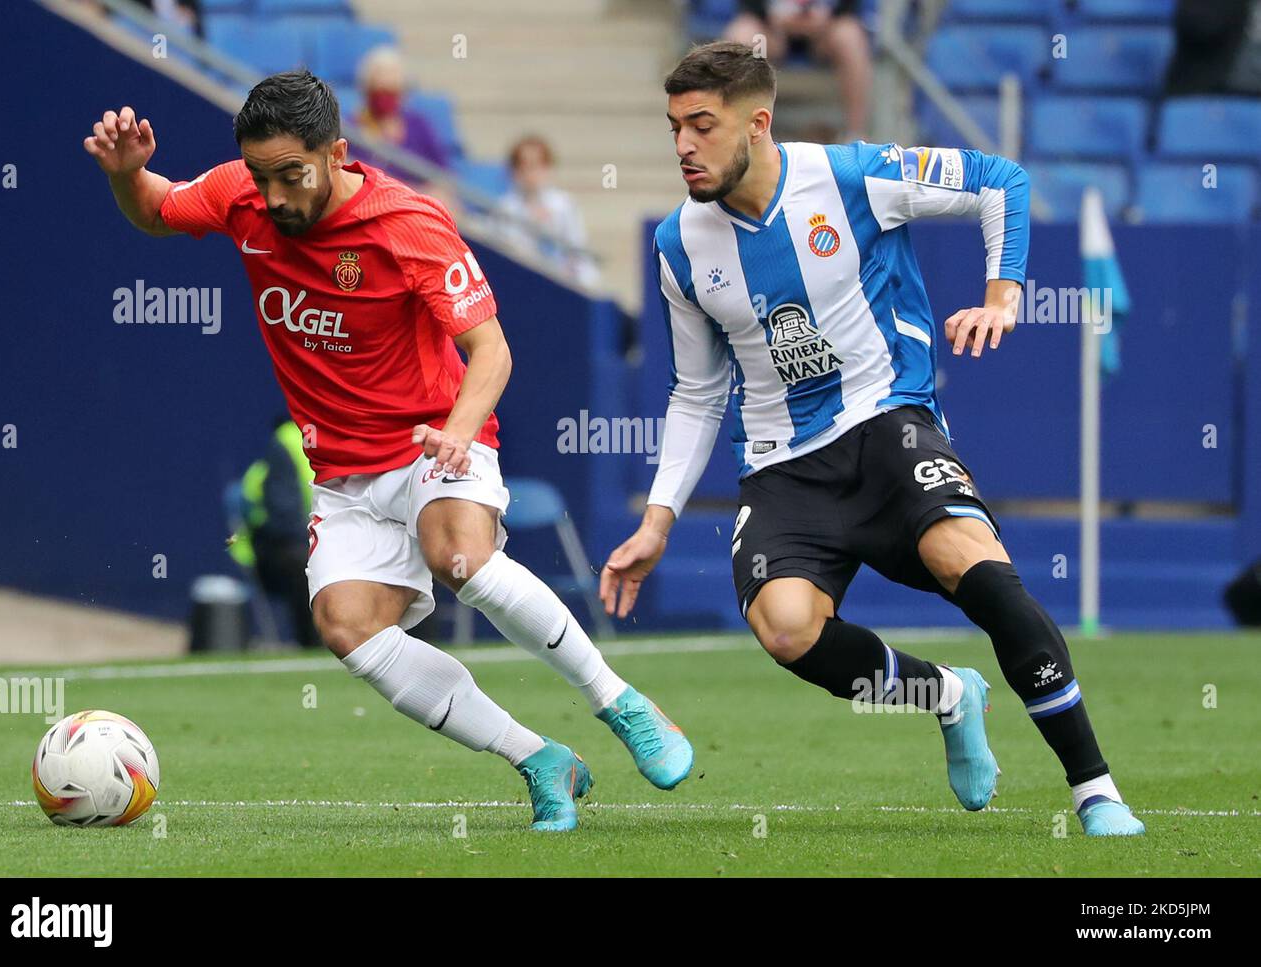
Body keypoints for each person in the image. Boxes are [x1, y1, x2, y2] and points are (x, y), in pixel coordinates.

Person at [82, 69, 692, 832]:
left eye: (291, 175)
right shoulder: (241, 191)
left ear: (337, 153)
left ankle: (622, 703)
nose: (272, 196)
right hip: (341, 474)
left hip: (435, 439)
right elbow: (156, 211)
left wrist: (461, 430)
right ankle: (540, 759)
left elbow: (491, 350)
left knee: (457, 555)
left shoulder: (409, 223)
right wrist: (128, 175)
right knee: (344, 625)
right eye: (262, 176)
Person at [600, 42, 1145, 837]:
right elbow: (696, 389)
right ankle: (949, 697)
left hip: (889, 423)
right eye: (675, 126)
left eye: (702, 125)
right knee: (786, 628)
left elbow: (1002, 182)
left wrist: (1003, 297)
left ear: (759, 122)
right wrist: (658, 518)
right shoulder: (680, 246)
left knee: (976, 568)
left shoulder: (854, 176)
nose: (684, 145)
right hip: (785, 466)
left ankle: (1095, 788)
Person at [227, 418, 322, 649]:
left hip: (328, 536)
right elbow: (282, 510)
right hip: (289, 545)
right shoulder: (287, 441)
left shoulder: (319, 432)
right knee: (301, 563)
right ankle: (313, 643)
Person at [724, 0, 873, 141]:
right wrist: (769, 16)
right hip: (770, 32)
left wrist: (828, 16)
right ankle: (742, 133)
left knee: (850, 36)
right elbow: (748, 6)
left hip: (824, 33)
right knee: (743, 36)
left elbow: (850, 6)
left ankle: (855, 134)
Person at [346, 45, 457, 206]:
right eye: (379, 90)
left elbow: (443, 177)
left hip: (414, 209)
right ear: (366, 90)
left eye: (392, 91)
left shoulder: (419, 126)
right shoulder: (351, 129)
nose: (385, 98)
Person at [496, 135, 599, 286]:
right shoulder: (505, 208)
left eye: (536, 165)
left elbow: (577, 248)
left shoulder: (564, 205)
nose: (530, 174)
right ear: (514, 171)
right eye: (523, 166)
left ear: (547, 168)